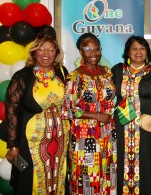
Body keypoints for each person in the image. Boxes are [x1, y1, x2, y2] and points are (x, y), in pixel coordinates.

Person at [4, 34, 70, 194]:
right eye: (41, 49)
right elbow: (11, 110)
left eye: (51, 49)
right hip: (30, 142)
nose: (46, 53)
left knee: (58, 177)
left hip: (60, 141)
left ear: (56, 53)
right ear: (34, 52)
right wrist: (13, 145)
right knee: (29, 178)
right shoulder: (23, 76)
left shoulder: (62, 73)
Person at [112, 35, 151, 195]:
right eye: (134, 48)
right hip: (122, 129)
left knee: (147, 167)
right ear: (128, 52)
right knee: (122, 168)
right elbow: (112, 97)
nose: (138, 52)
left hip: (146, 131)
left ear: (147, 52)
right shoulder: (117, 70)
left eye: (142, 48)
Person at [63, 33, 117, 194]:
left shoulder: (107, 72)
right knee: (86, 176)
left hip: (107, 132)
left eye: (97, 48)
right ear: (81, 51)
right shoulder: (74, 77)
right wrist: (96, 116)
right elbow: (68, 109)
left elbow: (112, 98)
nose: (93, 53)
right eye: (88, 49)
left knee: (106, 173)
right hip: (85, 134)